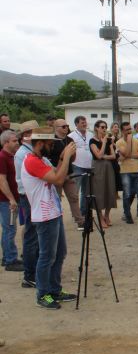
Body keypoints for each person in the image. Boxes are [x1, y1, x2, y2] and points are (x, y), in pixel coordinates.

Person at [21, 127, 77, 309]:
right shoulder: (32, 161)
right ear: (39, 144)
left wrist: (62, 158)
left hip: (53, 212)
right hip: (45, 216)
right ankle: (43, 294)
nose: (52, 147)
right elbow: (58, 179)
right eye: (50, 144)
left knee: (59, 253)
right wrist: (66, 156)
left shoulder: (40, 159)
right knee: (47, 256)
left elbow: (58, 172)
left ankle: (54, 289)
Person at [14, 121, 40, 287]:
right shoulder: (23, 154)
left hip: (31, 196)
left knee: (35, 235)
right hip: (29, 196)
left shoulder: (29, 151)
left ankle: (33, 271)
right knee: (32, 235)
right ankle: (30, 275)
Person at [48, 119, 83, 230]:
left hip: (69, 173)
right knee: (56, 199)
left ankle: (79, 220)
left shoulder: (70, 139)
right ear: (56, 127)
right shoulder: (51, 140)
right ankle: (58, 222)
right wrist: (63, 157)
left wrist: (70, 155)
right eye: (63, 126)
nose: (66, 128)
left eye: (67, 126)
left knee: (74, 197)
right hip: (56, 173)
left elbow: (73, 158)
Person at [0, 130, 23, 271]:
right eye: (14, 141)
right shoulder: (2, 157)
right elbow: (1, 180)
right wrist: (11, 199)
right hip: (6, 200)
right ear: (6, 142)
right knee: (10, 229)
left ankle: (7, 257)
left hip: (11, 199)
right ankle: (10, 260)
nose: (17, 143)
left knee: (8, 229)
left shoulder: (11, 156)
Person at [89, 120, 117, 228]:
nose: (104, 129)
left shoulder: (109, 140)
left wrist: (104, 155)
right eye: (102, 127)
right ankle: (100, 218)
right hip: (97, 168)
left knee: (109, 190)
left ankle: (107, 215)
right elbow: (99, 155)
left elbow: (113, 156)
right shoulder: (92, 141)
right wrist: (104, 143)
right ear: (96, 128)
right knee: (99, 192)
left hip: (108, 167)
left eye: (105, 127)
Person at [68, 115, 93, 216]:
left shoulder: (90, 134)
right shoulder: (71, 136)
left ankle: (84, 212)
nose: (84, 124)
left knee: (86, 192)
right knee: (75, 192)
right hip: (77, 166)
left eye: (85, 122)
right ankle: (76, 214)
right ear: (76, 124)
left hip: (89, 166)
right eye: (82, 122)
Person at [108, 122, 123, 198]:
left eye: (117, 127)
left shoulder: (119, 137)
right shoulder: (109, 137)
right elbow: (112, 147)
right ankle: (113, 194)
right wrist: (113, 143)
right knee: (112, 176)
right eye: (115, 127)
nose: (116, 128)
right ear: (111, 128)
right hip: (111, 158)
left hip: (118, 158)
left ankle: (116, 193)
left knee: (117, 175)